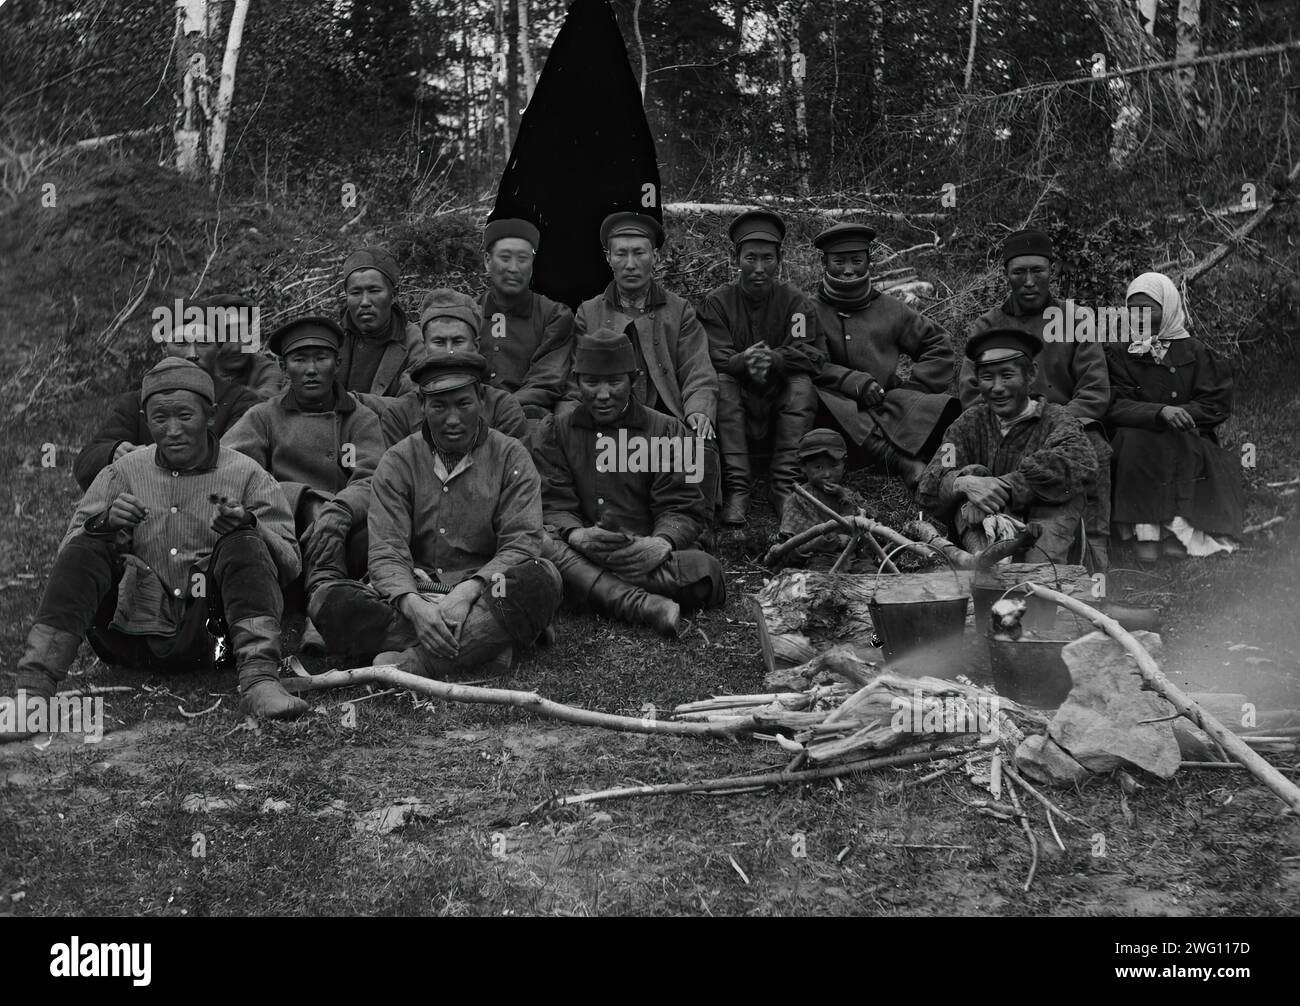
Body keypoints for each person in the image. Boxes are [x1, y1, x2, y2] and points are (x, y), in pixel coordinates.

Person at [3, 359, 306, 740]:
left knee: (244, 540)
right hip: (130, 635)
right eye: (160, 418)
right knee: (89, 544)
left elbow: (291, 564)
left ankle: (260, 681)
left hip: (213, 639)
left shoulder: (246, 474)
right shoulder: (122, 472)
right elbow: (70, 557)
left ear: (210, 416)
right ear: (146, 419)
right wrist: (107, 524)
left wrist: (250, 525)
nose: (173, 430)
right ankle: (33, 693)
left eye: (185, 415)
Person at [304, 350, 563, 675]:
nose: (452, 419)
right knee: (327, 601)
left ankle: (418, 662)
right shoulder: (397, 461)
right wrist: (414, 606)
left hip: (485, 593)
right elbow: (387, 551)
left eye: (463, 404)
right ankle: (487, 643)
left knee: (543, 576)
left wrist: (467, 592)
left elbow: (521, 543)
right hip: (416, 592)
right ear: (422, 405)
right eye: (439, 406)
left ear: (481, 400)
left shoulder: (511, 456)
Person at [536, 330, 725, 636]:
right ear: (577, 381)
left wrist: (661, 543)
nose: (602, 393)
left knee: (705, 570)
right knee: (541, 544)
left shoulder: (670, 429)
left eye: (614, 382)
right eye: (591, 382)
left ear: (633, 380)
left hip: (647, 555)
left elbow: (687, 507)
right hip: (580, 548)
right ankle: (639, 602)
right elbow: (553, 502)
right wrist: (576, 534)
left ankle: (587, 586)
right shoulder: (555, 431)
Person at [960, 229, 1112, 568]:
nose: (1029, 281)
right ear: (1006, 275)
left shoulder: (1076, 320)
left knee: (1096, 451)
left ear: (1052, 271)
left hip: (1067, 429)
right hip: (1003, 431)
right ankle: (995, 557)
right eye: (1019, 272)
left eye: (1038, 271)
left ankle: (1097, 569)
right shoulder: (986, 327)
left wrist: (1051, 428)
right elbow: (972, 394)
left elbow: (1095, 390)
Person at [220, 316, 385, 591]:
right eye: (299, 360)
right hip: (281, 529)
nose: (311, 370)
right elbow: (231, 472)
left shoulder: (360, 419)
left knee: (371, 536)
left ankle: (326, 596)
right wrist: (303, 499)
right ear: (284, 367)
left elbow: (373, 480)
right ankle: (321, 595)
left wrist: (339, 511)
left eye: (321, 358)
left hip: (343, 530)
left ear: (338, 364)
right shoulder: (264, 417)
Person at [568, 212, 720, 507]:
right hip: (608, 418)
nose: (630, 264)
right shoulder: (589, 313)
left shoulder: (680, 311)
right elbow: (576, 378)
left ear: (656, 256)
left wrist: (699, 410)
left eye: (639, 253)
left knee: (700, 447)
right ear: (608, 258)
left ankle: (693, 527)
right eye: (621, 254)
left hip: (665, 422)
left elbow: (697, 369)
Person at [917, 328, 1097, 563]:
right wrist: (966, 483)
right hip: (982, 544)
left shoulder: (1057, 420)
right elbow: (931, 483)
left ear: (1030, 374)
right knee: (970, 476)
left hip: (1046, 537)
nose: (997, 387)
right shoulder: (969, 424)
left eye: (1007, 375)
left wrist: (1003, 487)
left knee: (1034, 581)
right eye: (987, 377)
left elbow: (1078, 463)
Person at [809, 223, 960, 492]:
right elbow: (808, 360)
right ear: (824, 262)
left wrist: (915, 391)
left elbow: (938, 344)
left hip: (884, 404)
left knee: (946, 409)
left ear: (869, 261)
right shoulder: (808, 310)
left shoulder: (891, 309)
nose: (848, 270)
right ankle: (898, 460)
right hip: (832, 407)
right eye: (838, 261)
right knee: (817, 395)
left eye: (856, 261)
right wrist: (853, 382)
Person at [1106, 272, 1244, 560]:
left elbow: (1215, 402)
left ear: (1168, 307)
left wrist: (1183, 413)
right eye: (1133, 310)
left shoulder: (1195, 351)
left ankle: (1178, 535)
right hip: (1138, 432)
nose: (1139, 317)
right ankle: (1145, 536)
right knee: (1134, 445)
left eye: (1148, 309)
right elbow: (1114, 402)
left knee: (1185, 447)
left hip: (1187, 433)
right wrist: (1158, 412)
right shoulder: (1119, 352)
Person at [699, 210, 824, 523]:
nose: (758, 268)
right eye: (750, 258)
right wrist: (744, 361)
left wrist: (774, 359)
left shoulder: (794, 304)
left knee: (801, 385)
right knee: (723, 382)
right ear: (735, 258)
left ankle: (784, 486)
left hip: (777, 402)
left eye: (767, 258)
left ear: (779, 260)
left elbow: (808, 353)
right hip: (737, 401)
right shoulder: (718, 302)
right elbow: (714, 354)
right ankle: (738, 488)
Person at [74, 307, 262, 491]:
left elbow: (240, 467)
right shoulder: (136, 402)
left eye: (204, 343)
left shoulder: (241, 402)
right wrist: (114, 452)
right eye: (181, 343)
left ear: (218, 348)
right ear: (165, 348)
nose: (192, 354)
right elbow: (86, 464)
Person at [377, 289, 530, 447]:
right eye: (439, 342)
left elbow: (515, 464)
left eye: (457, 341)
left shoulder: (502, 408)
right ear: (424, 347)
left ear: (475, 346)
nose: (449, 352)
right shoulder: (399, 414)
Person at [477, 218, 575, 438]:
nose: (513, 268)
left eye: (522, 259)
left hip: (529, 420)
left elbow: (546, 380)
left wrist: (500, 410)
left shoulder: (554, 315)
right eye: (504, 258)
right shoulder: (470, 313)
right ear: (487, 261)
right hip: (471, 415)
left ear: (532, 265)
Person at [777, 428, 873, 567]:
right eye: (818, 467)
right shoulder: (798, 499)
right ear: (803, 467)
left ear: (844, 464)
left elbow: (871, 522)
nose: (827, 474)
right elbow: (797, 542)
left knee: (870, 575)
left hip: (854, 557)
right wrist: (835, 541)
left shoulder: (848, 495)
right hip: (818, 558)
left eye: (834, 466)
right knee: (821, 578)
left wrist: (846, 498)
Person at [336, 246, 422, 396]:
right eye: (355, 293)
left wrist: (355, 403)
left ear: (394, 295)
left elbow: (413, 403)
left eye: (374, 291)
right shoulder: (333, 339)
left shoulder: (413, 342)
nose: (364, 302)